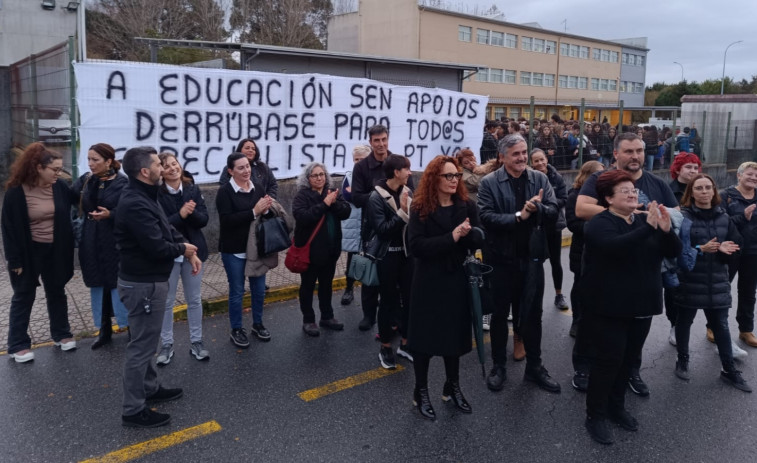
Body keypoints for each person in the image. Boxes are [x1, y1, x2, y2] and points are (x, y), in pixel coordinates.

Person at [576, 132, 679, 397]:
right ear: (616, 155)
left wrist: (664, 224)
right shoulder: (601, 180)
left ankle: (631, 372)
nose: (635, 156)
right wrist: (629, 214)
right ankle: (584, 368)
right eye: (629, 151)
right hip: (604, 273)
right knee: (593, 326)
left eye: (639, 151)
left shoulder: (657, 183)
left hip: (642, 274)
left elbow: (675, 216)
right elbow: (582, 209)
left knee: (633, 336)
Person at [582, 170, 681, 444]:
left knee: (628, 360)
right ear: (608, 198)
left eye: (633, 190)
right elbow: (614, 247)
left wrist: (665, 229)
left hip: (642, 303)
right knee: (607, 361)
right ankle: (595, 415)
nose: (632, 193)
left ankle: (616, 408)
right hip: (609, 306)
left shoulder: (643, 220)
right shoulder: (600, 223)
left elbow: (673, 251)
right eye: (624, 190)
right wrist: (648, 227)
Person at [115, 146, 201, 428]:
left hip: (149, 281)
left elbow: (166, 227)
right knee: (140, 347)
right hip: (143, 284)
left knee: (146, 342)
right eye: (156, 164)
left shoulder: (146, 195)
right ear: (144, 171)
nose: (162, 167)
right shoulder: (134, 202)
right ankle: (133, 409)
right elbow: (156, 245)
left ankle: (150, 389)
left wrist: (188, 250)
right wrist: (183, 248)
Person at [478, 134, 561, 393]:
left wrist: (540, 210)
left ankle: (535, 367)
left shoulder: (540, 179)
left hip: (532, 260)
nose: (522, 158)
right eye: (516, 153)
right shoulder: (489, 182)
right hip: (501, 261)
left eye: (524, 152)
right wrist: (519, 216)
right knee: (500, 316)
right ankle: (499, 366)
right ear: (502, 157)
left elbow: (554, 211)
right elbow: (486, 217)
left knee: (532, 316)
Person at [406, 155, 482, 420]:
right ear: (434, 179)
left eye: (457, 176)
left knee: (454, 337)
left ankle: (452, 386)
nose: (453, 180)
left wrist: (472, 236)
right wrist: (452, 236)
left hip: (456, 279)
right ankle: (421, 390)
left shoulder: (467, 205)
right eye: (448, 176)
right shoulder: (420, 208)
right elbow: (416, 247)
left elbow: (477, 239)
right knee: (424, 339)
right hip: (428, 280)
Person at [674, 174, 750, 392]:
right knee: (684, 322)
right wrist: (700, 249)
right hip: (689, 280)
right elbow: (675, 250)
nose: (705, 191)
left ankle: (729, 370)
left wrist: (727, 250)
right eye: (699, 188)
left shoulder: (724, 217)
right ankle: (682, 360)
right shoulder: (683, 217)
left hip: (717, 281)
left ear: (714, 191)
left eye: (708, 187)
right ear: (691, 193)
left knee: (722, 326)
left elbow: (738, 245)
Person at [1, 142, 76, 362]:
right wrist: (14, 259)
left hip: (56, 250)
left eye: (60, 169)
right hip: (28, 252)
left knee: (57, 291)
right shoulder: (16, 191)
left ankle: (61, 334)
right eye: (54, 169)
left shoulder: (59, 187)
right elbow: (9, 228)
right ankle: (17, 344)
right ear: (38, 168)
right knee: (24, 295)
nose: (59, 173)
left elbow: (80, 198)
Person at [351, 124, 414, 331]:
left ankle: (393, 318)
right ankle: (369, 315)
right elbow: (356, 197)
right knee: (371, 273)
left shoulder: (398, 163)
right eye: (376, 140)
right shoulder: (361, 168)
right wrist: (379, 197)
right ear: (370, 142)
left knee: (394, 280)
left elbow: (410, 191)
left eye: (384, 139)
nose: (381, 144)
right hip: (372, 228)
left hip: (399, 229)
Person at [71, 143, 130, 349]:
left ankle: (130, 327)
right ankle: (104, 329)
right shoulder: (87, 180)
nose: (91, 164)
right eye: (89, 159)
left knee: (119, 284)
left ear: (108, 161)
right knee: (99, 284)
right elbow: (69, 195)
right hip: (91, 239)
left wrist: (110, 214)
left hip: (114, 240)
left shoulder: (123, 183)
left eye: (95, 160)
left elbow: (130, 210)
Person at [156, 152, 210, 365]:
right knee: (167, 302)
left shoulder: (192, 189)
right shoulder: (157, 194)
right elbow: (161, 227)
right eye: (166, 166)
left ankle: (197, 341)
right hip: (170, 255)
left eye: (174, 163)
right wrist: (181, 215)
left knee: (194, 299)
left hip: (194, 254)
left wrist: (191, 212)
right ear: (160, 171)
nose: (172, 168)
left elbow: (204, 219)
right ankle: (166, 344)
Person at [216, 153, 274, 348]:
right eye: (240, 168)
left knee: (258, 290)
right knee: (237, 291)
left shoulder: (257, 187)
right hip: (234, 250)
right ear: (231, 171)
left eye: (248, 166)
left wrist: (266, 209)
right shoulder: (225, 192)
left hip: (256, 249)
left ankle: (257, 324)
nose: (246, 170)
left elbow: (262, 217)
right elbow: (226, 222)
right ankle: (237, 328)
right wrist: (253, 212)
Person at [365, 154, 414, 369]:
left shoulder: (406, 191)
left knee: (409, 300)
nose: (410, 173)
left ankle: (405, 343)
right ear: (396, 172)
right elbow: (383, 231)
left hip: (407, 255)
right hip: (387, 256)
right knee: (387, 302)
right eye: (406, 169)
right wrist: (402, 212)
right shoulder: (375, 198)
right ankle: (385, 346)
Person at [292, 162, 351, 336]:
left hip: (330, 251)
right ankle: (308, 320)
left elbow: (346, 212)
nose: (319, 178)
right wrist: (324, 204)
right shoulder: (302, 196)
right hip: (310, 252)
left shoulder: (331, 193)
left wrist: (334, 203)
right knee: (308, 286)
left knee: (326, 285)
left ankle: (327, 316)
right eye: (315, 175)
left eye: (322, 174)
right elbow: (302, 217)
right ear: (307, 179)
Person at [565, 161, 604, 391]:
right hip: (581, 250)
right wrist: (599, 225)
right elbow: (572, 224)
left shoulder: (603, 195)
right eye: (597, 174)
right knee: (579, 286)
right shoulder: (576, 196)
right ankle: (577, 320)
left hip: (599, 251)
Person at [665, 152, 701, 346]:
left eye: (696, 168)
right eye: (688, 167)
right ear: (677, 169)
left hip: (699, 245)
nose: (693, 171)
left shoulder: (702, 188)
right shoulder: (669, 191)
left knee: (697, 290)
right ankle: (674, 325)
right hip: (676, 247)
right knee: (674, 289)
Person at [721, 161, 757, 348]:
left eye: (756, 176)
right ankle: (714, 326)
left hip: (753, 251)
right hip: (731, 249)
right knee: (723, 289)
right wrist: (743, 216)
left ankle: (746, 330)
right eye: (749, 174)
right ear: (739, 175)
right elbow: (720, 223)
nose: (753, 178)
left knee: (748, 292)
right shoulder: (726, 196)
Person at [530, 149, 569, 310]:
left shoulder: (556, 177)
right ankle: (532, 296)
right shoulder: (529, 178)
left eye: (542, 160)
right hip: (536, 226)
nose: (540, 163)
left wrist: (547, 206)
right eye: (536, 161)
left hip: (554, 224)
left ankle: (559, 294)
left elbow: (564, 198)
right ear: (531, 163)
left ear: (547, 159)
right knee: (535, 263)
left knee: (556, 261)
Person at [340, 145, 372, 306]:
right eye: (356, 159)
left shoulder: (374, 176)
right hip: (353, 224)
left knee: (372, 258)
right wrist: (365, 194)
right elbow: (347, 195)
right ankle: (348, 288)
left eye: (362, 159)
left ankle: (371, 293)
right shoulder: (349, 176)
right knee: (352, 258)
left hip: (370, 222)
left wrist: (358, 194)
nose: (359, 162)